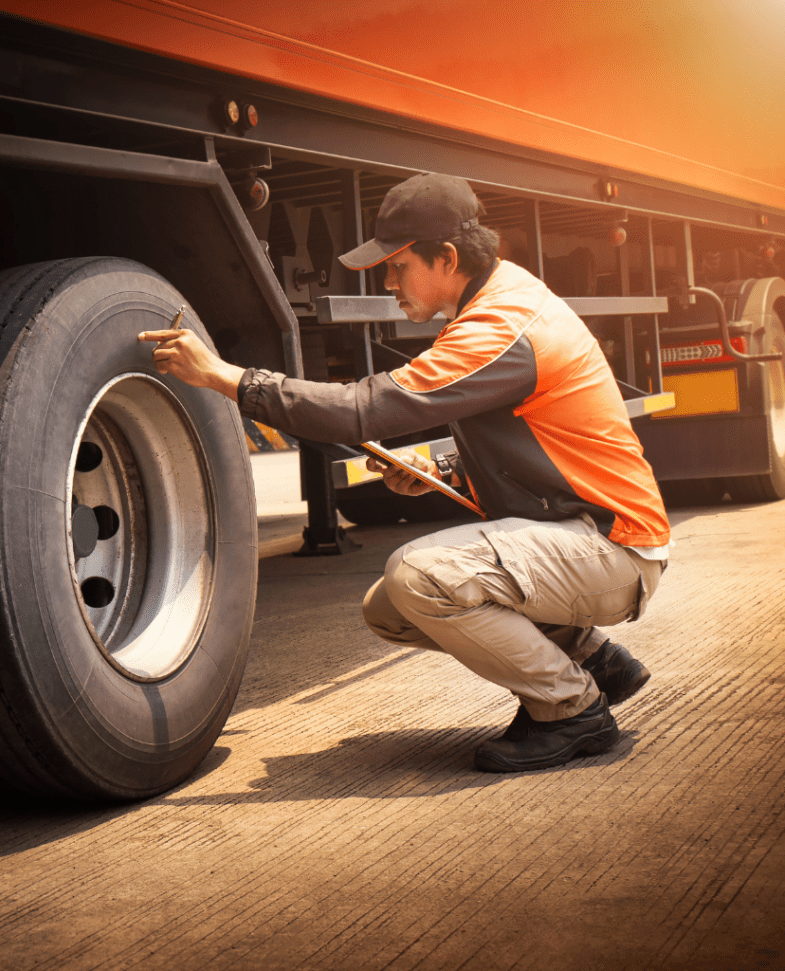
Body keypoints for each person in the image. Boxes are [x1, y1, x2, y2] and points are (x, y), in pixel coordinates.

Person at [139, 171, 670, 773]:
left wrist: (228, 378)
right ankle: (595, 658)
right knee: (389, 605)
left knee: (421, 575)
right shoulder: (498, 299)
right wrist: (440, 466)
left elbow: (363, 409)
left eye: (397, 266)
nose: (388, 284)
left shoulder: (501, 327)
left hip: (613, 545)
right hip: (581, 532)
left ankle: (572, 712)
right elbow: (541, 443)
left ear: (446, 258)